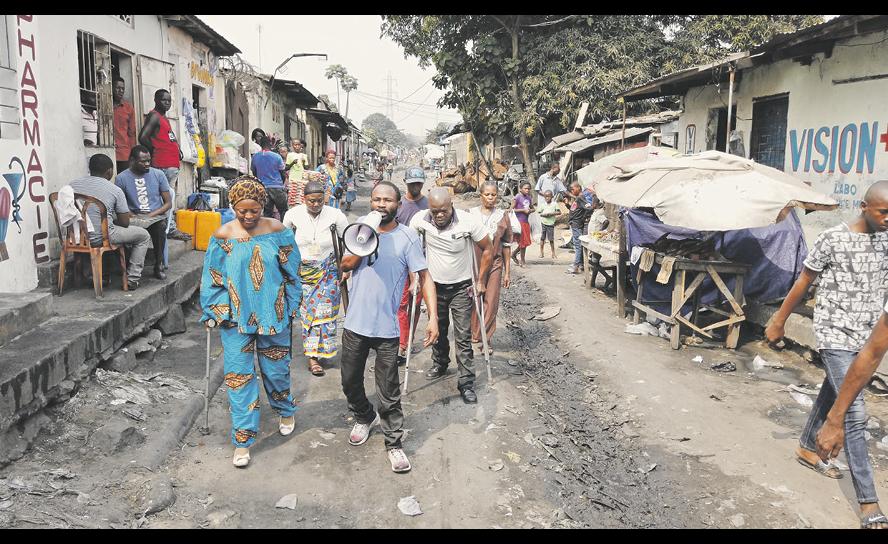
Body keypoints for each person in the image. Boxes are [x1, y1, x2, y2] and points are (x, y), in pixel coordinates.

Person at [766, 180, 888, 529]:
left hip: (866, 338)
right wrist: (779, 320)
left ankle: (807, 446)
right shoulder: (833, 238)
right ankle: (868, 502)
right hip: (835, 333)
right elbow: (805, 280)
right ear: (864, 207)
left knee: (836, 391)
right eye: (884, 212)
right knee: (853, 410)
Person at [199, 176, 302, 468]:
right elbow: (213, 278)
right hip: (235, 318)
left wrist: (292, 304)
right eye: (241, 210)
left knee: (276, 370)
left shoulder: (279, 231)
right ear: (232, 206)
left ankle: (285, 409)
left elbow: (292, 272)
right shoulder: (222, 236)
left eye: (253, 210)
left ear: (263, 206)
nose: (247, 216)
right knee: (239, 377)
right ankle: (243, 440)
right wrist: (215, 310)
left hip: (274, 313)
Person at [339, 181, 439, 473]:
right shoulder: (359, 228)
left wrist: (432, 317)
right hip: (356, 323)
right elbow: (345, 264)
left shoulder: (407, 237)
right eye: (377, 199)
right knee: (349, 381)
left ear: (398, 204)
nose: (382, 205)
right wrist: (364, 236)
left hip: (387, 328)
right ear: (370, 201)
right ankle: (363, 416)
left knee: (388, 389)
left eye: (388, 200)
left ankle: (394, 442)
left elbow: (424, 276)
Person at [410, 187, 493, 404]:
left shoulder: (467, 222)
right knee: (438, 329)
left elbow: (487, 248)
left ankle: (466, 382)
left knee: (463, 335)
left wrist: (481, 280)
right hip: (433, 286)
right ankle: (440, 363)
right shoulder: (420, 220)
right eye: (434, 211)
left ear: (451, 206)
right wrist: (413, 280)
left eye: (443, 211)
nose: (439, 215)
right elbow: (410, 249)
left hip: (461, 287)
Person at [282, 181, 349, 377]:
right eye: (311, 201)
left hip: (328, 270)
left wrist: (346, 267)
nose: (316, 204)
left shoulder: (336, 215)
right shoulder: (293, 215)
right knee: (309, 316)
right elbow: (283, 241)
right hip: (302, 271)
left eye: (320, 200)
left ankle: (324, 350)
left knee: (325, 314)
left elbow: (348, 239)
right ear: (304, 199)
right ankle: (313, 357)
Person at [69, 153, 150, 289]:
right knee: (143, 236)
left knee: (106, 227)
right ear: (109, 171)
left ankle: (98, 275)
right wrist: (109, 220)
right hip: (101, 238)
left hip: (76, 237)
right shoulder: (115, 190)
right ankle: (132, 279)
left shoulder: (71, 185)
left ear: (90, 169)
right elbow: (124, 223)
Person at [114, 145, 172, 280]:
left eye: (149, 161)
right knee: (122, 227)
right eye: (143, 161)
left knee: (160, 227)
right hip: (133, 217)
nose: (147, 164)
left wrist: (150, 216)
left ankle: (158, 265)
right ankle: (128, 267)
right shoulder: (121, 178)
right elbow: (119, 205)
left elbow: (168, 203)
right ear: (132, 160)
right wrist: (131, 215)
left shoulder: (158, 174)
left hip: (154, 217)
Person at [469, 181, 512, 352]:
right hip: (475, 262)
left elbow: (507, 245)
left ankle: (485, 339)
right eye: (487, 194)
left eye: (493, 194)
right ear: (481, 195)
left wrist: (507, 272)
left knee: (492, 300)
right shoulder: (470, 215)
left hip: (495, 262)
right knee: (474, 297)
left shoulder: (502, 216)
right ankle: (474, 333)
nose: (490, 197)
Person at [395, 166, 430, 365]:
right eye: (412, 183)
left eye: (418, 183)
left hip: (423, 260)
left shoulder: (427, 204)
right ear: (406, 183)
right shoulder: (399, 204)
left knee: (415, 304)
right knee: (401, 303)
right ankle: (400, 342)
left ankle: (407, 339)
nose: (415, 186)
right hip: (401, 260)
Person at [138, 89, 181, 188]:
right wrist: (154, 150)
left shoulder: (163, 117)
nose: (167, 103)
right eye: (164, 100)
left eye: (169, 101)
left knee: (168, 198)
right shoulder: (154, 116)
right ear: (156, 100)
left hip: (170, 165)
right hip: (162, 165)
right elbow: (142, 137)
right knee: (164, 198)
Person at [564, 182, 597, 275]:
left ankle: (576, 266)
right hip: (575, 224)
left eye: (572, 189)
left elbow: (589, 208)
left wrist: (594, 195)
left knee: (578, 246)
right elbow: (575, 210)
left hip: (577, 225)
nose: (571, 191)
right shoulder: (578, 198)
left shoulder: (580, 198)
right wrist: (567, 205)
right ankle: (581, 264)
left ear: (578, 188)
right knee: (579, 245)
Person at [250, 136, 287, 219]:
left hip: (263, 188)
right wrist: (282, 183)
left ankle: (268, 230)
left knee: (267, 213)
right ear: (270, 144)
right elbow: (282, 173)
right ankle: (284, 229)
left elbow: (254, 172)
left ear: (260, 144)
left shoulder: (255, 157)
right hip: (277, 187)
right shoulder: (277, 157)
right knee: (283, 211)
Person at [112, 78, 136, 174]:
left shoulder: (128, 108)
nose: (121, 91)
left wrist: (133, 154)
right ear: (111, 88)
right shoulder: (105, 105)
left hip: (123, 153)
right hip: (107, 149)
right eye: (118, 88)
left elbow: (132, 132)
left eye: (123, 88)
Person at [510, 181, 534, 268]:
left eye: (529, 189)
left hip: (526, 222)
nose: (527, 190)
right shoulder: (517, 197)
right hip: (519, 222)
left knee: (525, 242)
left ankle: (514, 254)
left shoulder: (529, 198)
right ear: (520, 189)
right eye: (525, 188)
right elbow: (511, 210)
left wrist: (530, 210)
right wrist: (523, 210)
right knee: (523, 242)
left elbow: (533, 208)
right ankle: (522, 261)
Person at [285, 139, 310, 208]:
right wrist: (293, 163)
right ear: (292, 146)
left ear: (301, 146)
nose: (297, 146)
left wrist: (304, 162)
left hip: (302, 179)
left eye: (298, 145)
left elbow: (307, 168)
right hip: (293, 179)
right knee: (293, 198)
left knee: (302, 198)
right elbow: (286, 168)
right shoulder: (290, 155)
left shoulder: (304, 155)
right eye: (295, 145)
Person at [537, 189, 560, 259]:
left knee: (551, 239)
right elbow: (539, 212)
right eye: (546, 197)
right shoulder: (543, 205)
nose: (547, 198)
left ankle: (553, 253)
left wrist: (551, 214)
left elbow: (559, 212)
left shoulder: (555, 204)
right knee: (542, 238)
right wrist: (543, 215)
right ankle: (541, 252)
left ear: (552, 197)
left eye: (549, 196)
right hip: (543, 223)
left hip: (550, 224)